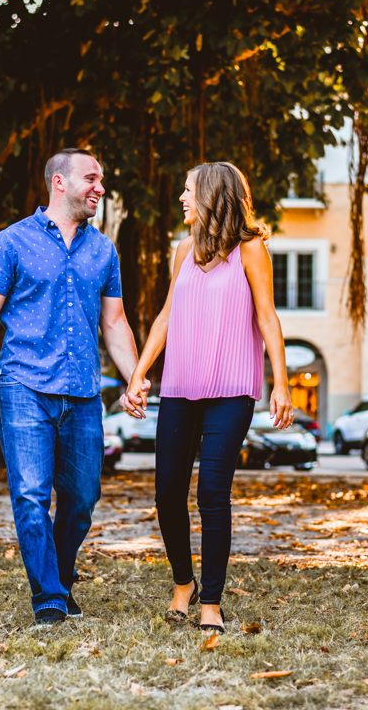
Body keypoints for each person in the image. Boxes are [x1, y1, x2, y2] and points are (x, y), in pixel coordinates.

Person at [0, 148, 143, 627]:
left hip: (84, 393)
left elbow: (115, 321)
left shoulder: (104, 250)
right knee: (30, 494)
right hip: (24, 383)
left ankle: (60, 579)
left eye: (101, 180)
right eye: (91, 179)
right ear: (59, 183)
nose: (100, 188)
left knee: (82, 498)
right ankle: (48, 598)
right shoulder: (13, 241)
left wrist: (135, 376)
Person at [125, 161, 293, 633]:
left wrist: (280, 382)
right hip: (180, 386)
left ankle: (211, 602)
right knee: (166, 492)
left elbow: (267, 317)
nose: (181, 198)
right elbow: (164, 317)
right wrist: (139, 375)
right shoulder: (183, 249)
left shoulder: (251, 249)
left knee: (213, 493)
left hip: (232, 390)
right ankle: (184, 583)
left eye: (187, 190)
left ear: (211, 195)